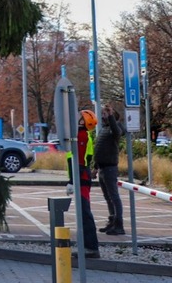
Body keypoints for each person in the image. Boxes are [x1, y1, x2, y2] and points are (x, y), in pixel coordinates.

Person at [67, 109, 99, 258]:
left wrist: (72, 181)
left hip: (81, 178)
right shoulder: (82, 135)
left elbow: (78, 161)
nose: (76, 117)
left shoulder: (81, 136)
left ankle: (91, 248)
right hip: (82, 177)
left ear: (83, 121)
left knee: (84, 213)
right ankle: (87, 246)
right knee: (83, 213)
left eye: (79, 116)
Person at [94, 103, 125, 236]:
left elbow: (117, 132)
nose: (103, 115)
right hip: (102, 168)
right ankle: (111, 221)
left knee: (114, 197)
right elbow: (99, 150)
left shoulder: (115, 128)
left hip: (110, 168)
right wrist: (95, 168)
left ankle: (119, 225)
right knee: (108, 197)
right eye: (103, 113)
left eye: (106, 113)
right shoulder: (104, 129)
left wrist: (111, 115)